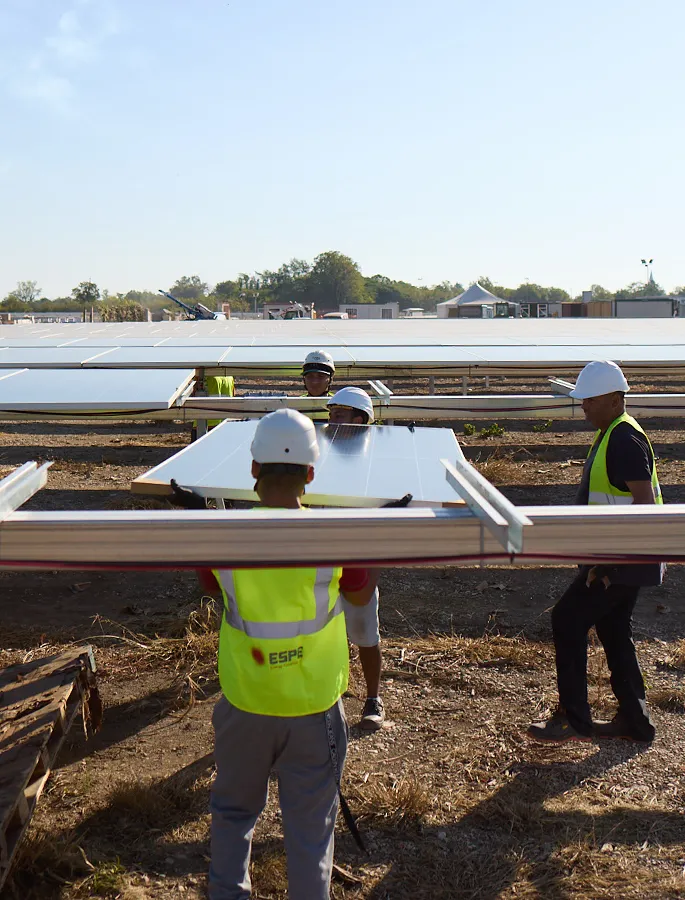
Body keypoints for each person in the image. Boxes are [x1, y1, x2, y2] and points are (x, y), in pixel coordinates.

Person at [201, 409, 379, 900]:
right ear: (312, 474)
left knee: (234, 812)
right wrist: (379, 539)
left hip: (245, 700)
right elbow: (361, 597)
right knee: (309, 828)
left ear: (254, 470)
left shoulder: (219, 535)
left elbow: (212, 586)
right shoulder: (337, 537)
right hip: (313, 708)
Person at [528, 360, 662, 745]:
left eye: (588, 399)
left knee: (567, 620)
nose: (582, 405)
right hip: (625, 560)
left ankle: (574, 718)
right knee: (614, 630)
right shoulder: (612, 433)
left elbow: (644, 505)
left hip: (622, 561)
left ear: (613, 397)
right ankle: (636, 722)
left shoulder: (623, 438)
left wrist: (608, 565)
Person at [326, 388, 385, 731]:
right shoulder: (318, 455)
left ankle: (373, 697)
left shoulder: (374, 462)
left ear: (360, 420)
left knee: (365, 632)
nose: (333, 419)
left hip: (360, 559)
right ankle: (327, 696)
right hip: (323, 559)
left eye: (341, 414)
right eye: (331, 413)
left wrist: (373, 568)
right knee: (321, 631)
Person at [301, 350, 335, 421]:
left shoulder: (338, 404)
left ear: (330, 379)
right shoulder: (296, 404)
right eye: (310, 376)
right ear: (304, 379)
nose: (315, 382)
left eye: (321, 376)